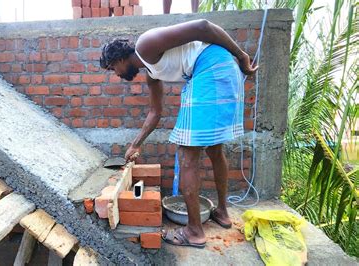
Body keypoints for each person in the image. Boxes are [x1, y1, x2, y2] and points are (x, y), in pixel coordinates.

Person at [99, 19, 257, 247]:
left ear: (120, 58)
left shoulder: (146, 45)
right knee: (214, 149)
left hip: (210, 68)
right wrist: (135, 144)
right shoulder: (152, 74)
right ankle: (221, 212)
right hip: (219, 70)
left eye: (113, 68)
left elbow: (203, 27)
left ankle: (194, 231)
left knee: (186, 156)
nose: (116, 74)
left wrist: (241, 55)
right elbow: (156, 112)